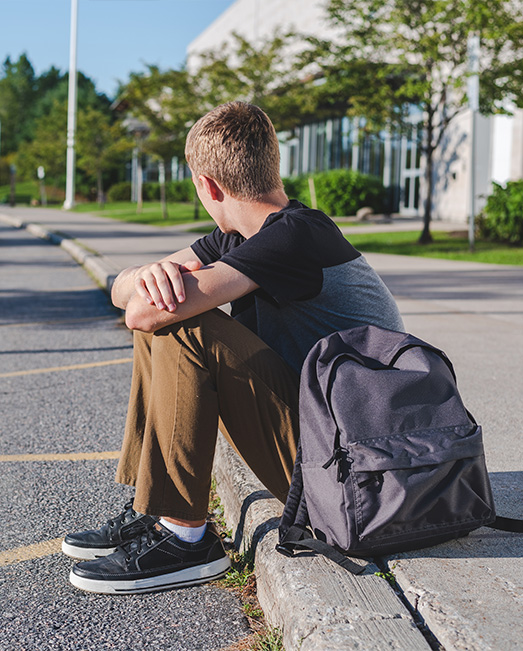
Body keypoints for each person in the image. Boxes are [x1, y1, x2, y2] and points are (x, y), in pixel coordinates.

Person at [62, 101, 404, 594]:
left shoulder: (294, 237)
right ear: (273, 165)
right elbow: (126, 292)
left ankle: (185, 537)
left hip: (356, 474)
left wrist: (148, 289)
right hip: (334, 452)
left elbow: (142, 312)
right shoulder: (243, 236)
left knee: (183, 325)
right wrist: (143, 274)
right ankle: (156, 509)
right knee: (168, 310)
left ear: (208, 186)